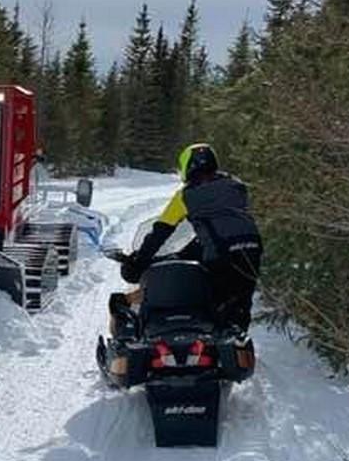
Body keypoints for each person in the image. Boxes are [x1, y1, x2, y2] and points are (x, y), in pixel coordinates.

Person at [109, 142, 262, 337]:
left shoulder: (185, 196)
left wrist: (139, 261)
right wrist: (185, 253)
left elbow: (161, 231)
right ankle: (234, 350)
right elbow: (223, 227)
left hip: (220, 253)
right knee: (238, 306)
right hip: (252, 248)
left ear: (187, 167)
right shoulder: (237, 187)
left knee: (205, 297)